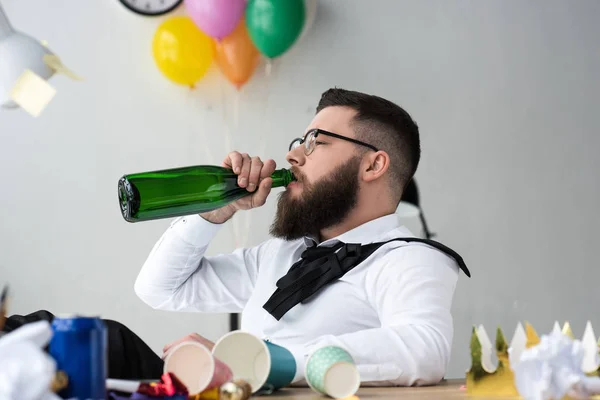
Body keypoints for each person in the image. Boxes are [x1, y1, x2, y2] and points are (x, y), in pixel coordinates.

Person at [135, 88, 470, 387]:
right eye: (299, 143)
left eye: (317, 142)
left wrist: (262, 363)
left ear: (373, 166)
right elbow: (161, 289)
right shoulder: (279, 255)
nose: (293, 157)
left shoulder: (410, 259)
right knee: (109, 343)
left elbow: (424, 350)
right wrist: (213, 213)